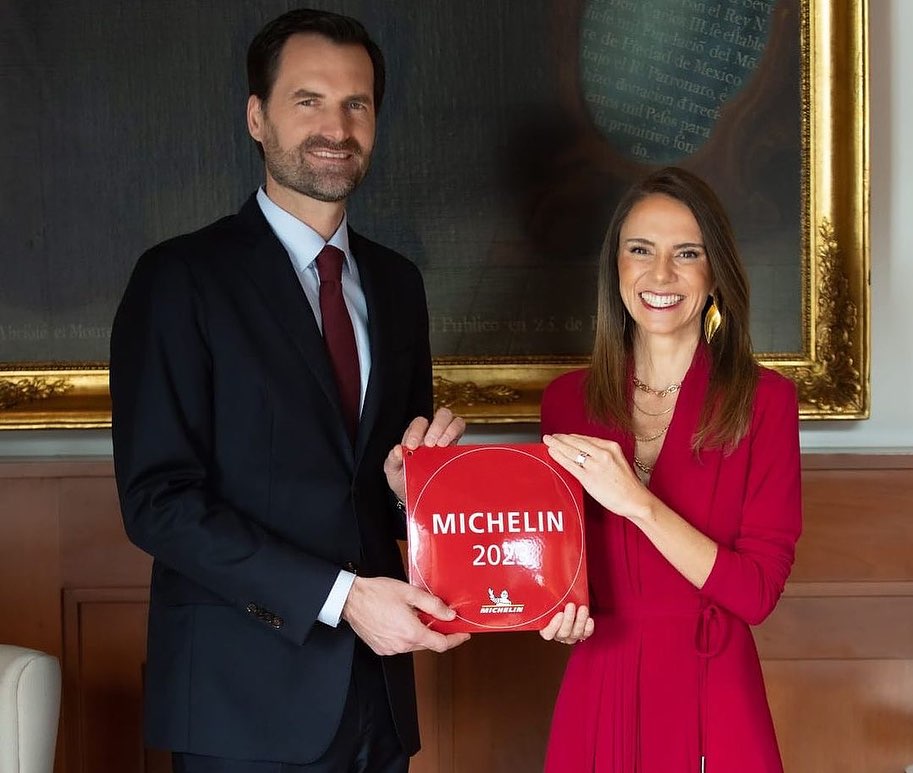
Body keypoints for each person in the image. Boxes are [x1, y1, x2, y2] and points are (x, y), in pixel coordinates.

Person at [109, 9, 470, 773]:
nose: (335, 127)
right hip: (241, 703)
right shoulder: (179, 279)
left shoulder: (397, 284)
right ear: (256, 117)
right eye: (308, 100)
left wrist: (409, 492)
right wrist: (344, 597)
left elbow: (381, 491)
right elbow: (158, 502)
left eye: (355, 103)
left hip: (377, 699)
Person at [537, 167, 801, 772]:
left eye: (687, 253)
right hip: (601, 681)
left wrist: (638, 502)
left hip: (715, 688)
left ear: (716, 274)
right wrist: (556, 615)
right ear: (616, 269)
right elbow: (556, 569)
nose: (661, 275)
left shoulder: (765, 402)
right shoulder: (566, 403)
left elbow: (756, 593)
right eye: (640, 250)